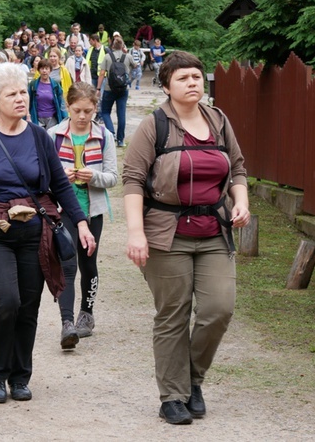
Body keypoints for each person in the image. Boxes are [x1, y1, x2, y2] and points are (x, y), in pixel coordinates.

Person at [0, 62, 96, 404]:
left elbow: (59, 186)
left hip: (35, 233)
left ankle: (20, 377)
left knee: (28, 306)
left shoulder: (39, 138)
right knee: (6, 302)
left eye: (22, 92)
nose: (20, 99)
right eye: (11, 94)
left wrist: (83, 222)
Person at [122, 51, 250, 425]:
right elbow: (132, 180)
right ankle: (172, 396)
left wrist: (240, 203)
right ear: (166, 86)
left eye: (197, 76)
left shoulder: (219, 120)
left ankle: (191, 381)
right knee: (173, 315)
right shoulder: (154, 126)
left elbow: (238, 168)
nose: (193, 82)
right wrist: (135, 233)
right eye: (183, 78)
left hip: (215, 232)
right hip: (167, 235)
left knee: (218, 310)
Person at [47, 82, 118, 349]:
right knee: (66, 262)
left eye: (88, 111)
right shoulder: (52, 135)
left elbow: (113, 177)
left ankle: (86, 314)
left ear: (95, 109)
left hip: (93, 210)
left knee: (88, 262)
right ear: (67, 107)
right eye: (77, 110)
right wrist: (58, 179)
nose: (82, 116)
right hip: (62, 210)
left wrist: (94, 176)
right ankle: (67, 323)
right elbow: (40, 177)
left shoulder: (104, 136)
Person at [97, 36, 138, 147]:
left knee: (105, 112)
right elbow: (135, 66)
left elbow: (102, 74)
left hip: (109, 89)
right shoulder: (128, 56)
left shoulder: (107, 57)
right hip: (123, 89)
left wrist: (98, 88)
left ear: (113, 46)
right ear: (123, 46)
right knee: (121, 114)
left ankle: (111, 133)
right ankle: (121, 140)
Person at [29, 57, 66, 129]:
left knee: (51, 138)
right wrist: (28, 116)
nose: (44, 71)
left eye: (46, 69)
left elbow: (61, 102)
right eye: (42, 69)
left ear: (50, 70)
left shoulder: (55, 85)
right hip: (37, 118)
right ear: (39, 70)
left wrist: (65, 117)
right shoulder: (33, 85)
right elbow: (28, 101)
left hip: (52, 119)